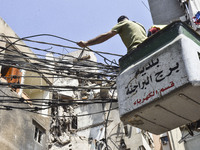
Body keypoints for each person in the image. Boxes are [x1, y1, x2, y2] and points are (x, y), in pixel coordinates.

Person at [77, 15, 147, 53]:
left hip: (136, 50)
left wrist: (86, 43)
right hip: (148, 47)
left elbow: (106, 35)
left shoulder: (123, 23)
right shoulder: (140, 25)